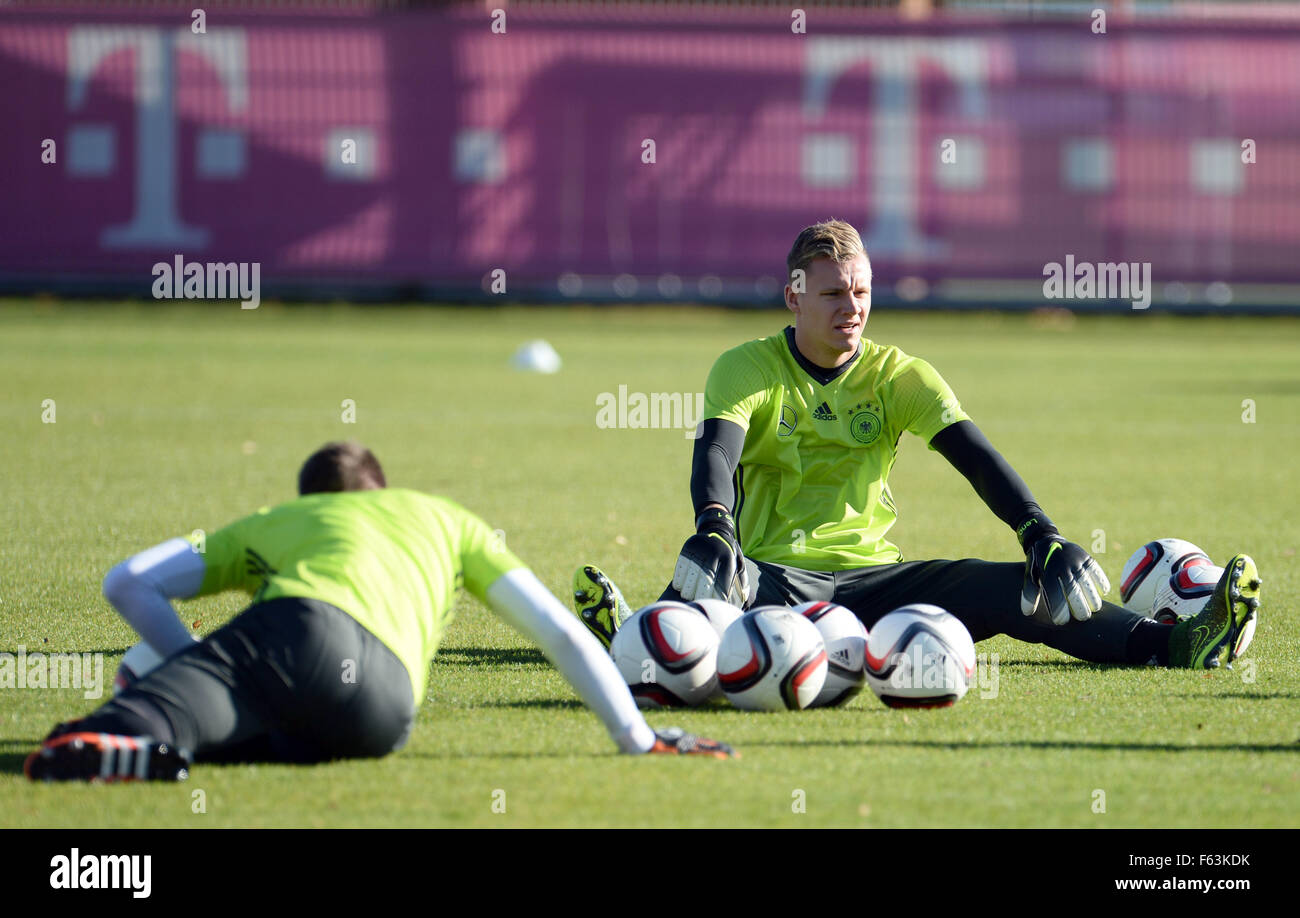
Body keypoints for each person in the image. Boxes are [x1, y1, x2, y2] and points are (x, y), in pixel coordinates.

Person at [573, 220, 1260, 673]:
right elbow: (717, 453)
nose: (853, 308)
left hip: (881, 582)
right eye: (835, 293)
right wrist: (714, 526)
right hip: (773, 578)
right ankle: (633, 640)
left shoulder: (898, 374)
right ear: (793, 296)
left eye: (863, 292)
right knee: (712, 585)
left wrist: (1041, 534)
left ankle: (1176, 643)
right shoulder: (744, 366)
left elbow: (975, 457)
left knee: (1025, 591)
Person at [26, 441, 734, 782]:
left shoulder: (280, 520)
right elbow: (555, 629)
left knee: (156, 692)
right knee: (272, 716)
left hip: (293, 633)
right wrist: (635, 737)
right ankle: (168, 740)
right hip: (380, 713)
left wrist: (187, 663)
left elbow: (127, 583)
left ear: (313, 501)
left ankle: (131, 729)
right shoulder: (444, 517)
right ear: (382, 489)